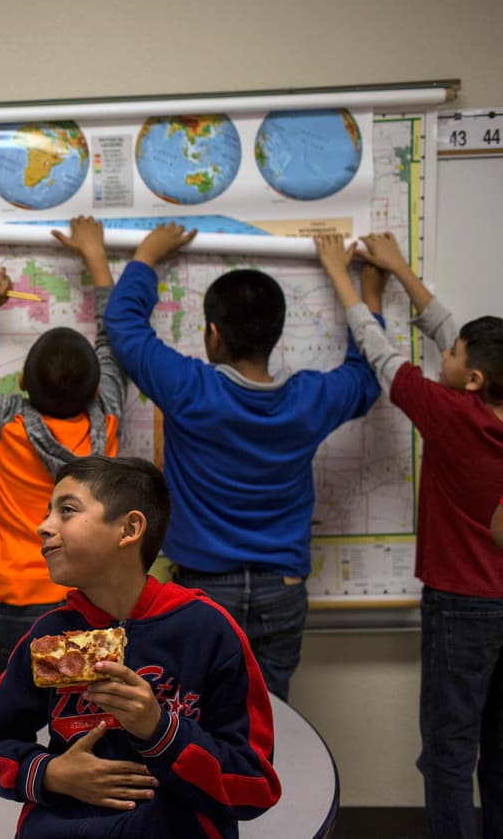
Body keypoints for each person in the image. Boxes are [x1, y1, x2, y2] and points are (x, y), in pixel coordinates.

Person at [102, 223, 383, 700]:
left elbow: (125, 328)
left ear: (213, 335)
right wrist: (368, 293)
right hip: (283, 588)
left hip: (205, 591)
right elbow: (367, 373)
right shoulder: (310, 400)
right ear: (276, 334)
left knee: (193, 726)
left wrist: (148, 253)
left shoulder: (191, 389)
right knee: (269, 728)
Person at [0, 456, 280, 838]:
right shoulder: (49, 636)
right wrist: (50, 774)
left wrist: (160, 729)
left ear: (129, 528)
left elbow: (254, 786)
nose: (42, 526)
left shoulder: (207, 629)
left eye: (66, 510)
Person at [316, 231, 503, 839]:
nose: (440, 356)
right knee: (497, 749)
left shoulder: (450, 415)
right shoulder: (482, 403)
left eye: (452, 357)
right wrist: (397, 268)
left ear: (473, 379)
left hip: (463, 607)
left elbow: (378, 351)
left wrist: (340, 275)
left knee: (448, 755)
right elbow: (460, 339)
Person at [0, 216, 126, 676]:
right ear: (97, 389)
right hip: (94, 597)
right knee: (89, 719)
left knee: (21, 728)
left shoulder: (7, 422)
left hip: (22, 603)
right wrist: (95, 257)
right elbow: (112, 341)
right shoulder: (108, 416)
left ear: (21, 384)